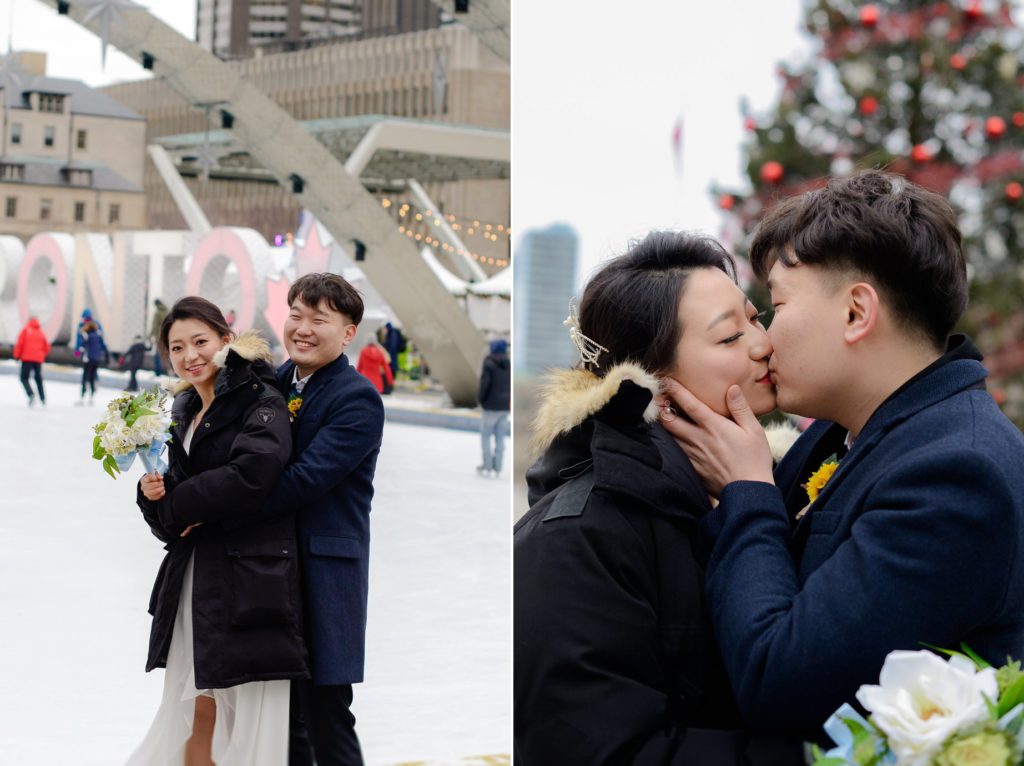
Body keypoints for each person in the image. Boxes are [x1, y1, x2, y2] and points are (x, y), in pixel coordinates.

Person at [660, 170, 1024, 745]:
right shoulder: (848, 429)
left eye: (776, 304)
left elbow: (778, 681)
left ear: (857, 312)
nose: (765, 339)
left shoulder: (958, 473)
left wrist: (747, 492)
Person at [515, 232, 800, 765]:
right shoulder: (575, 537)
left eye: (756, 319)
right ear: (656, 382)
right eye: (728, 337)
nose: (763, 344)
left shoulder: (772, 486)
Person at [128, 296, 308, 765]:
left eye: (201, 341)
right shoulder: (184, 410)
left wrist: (178, 502)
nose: (190, 356)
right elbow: (177, 516)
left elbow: (254, 473)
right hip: (196, 580)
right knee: (194, 708)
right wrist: (154, 498)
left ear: (226, 341)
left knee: (246, 719)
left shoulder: (259, 398)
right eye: (177, 347)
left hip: (250, 582)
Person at [239, 273, 384, 765]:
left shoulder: (357, 398)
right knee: (283, 718)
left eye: (319, 319)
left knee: (326, 712)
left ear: (348, 333)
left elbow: (305, 478)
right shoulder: (272, 383)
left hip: (323, 575)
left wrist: (222, 503)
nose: (302, 328)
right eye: (296, 315)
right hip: (270, 569)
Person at [477, 338, 510, 477]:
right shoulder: (508, 363)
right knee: (500, 438)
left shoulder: (489, 363)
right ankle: (498, 466)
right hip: (503, 407)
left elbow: (484, 384)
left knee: (486, 436)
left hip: (490, 407)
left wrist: (480, 400)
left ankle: (487, 465)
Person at [13, 316, 50, 407]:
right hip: (38, 359)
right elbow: (47, 347)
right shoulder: (40, 332)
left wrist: (17, 356)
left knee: (24, 377)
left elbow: (19, 344)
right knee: (38, 378)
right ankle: (42, 398)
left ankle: (31, 394)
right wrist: (41, 355)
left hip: (27, 359)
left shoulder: (25, 330)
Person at [76, 318, 108, 405]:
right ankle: (91, 397)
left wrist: (77, 353)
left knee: (85, 377)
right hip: (96, 359)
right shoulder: (98, 335)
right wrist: (106, 357)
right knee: (92, 377)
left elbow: (82, 347)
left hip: (88, 359)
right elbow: (103, 346)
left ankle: (82, 396)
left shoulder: (87, 336)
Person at [150, 298, 168, 376]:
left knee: (157, 355)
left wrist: (150, 335)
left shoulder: (157, 313)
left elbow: (154, 326)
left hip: (159, 337)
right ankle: (169, 371)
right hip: (167, 336)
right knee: (166, 354)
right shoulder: (168, 311)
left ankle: (157, 372)